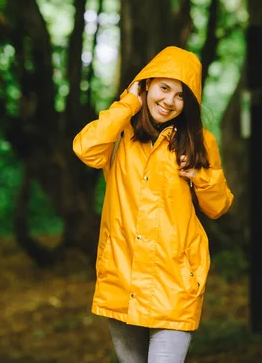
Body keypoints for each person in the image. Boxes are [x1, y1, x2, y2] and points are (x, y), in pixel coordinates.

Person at [72, 46, 234, 362]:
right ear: (146, 85)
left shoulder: (201, 142)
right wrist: (127, 102)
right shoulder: (120, 132)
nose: (169, 101)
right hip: (122, 273)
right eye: (163, 88)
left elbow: (219, 206)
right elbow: (85, 149)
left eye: (181, 95)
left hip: (174, 280)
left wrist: (200, 176)